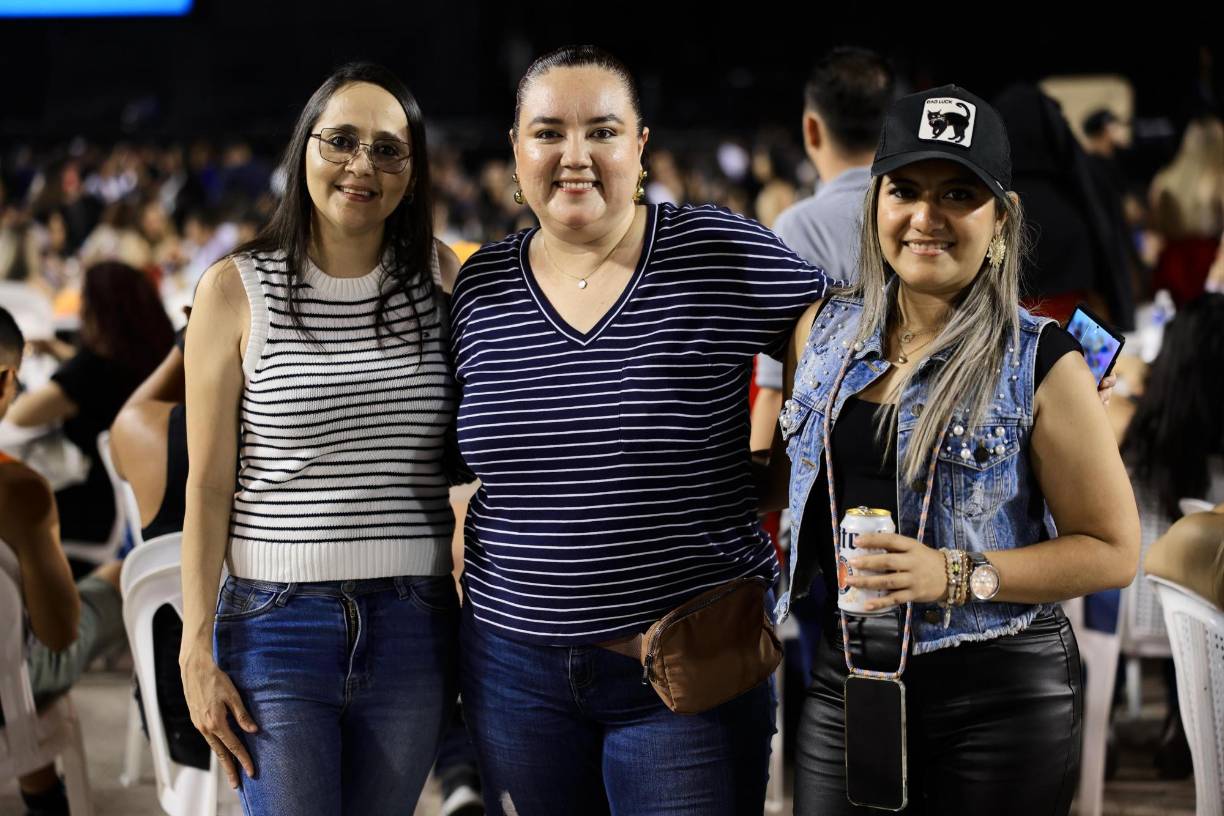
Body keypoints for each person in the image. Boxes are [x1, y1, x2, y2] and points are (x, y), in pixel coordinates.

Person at [449, 45, 831, 815]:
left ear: (641, 147)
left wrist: (794, 457)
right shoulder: (480, 283)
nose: (576, 156)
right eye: (549, 132)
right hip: (513, 674)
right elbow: (462, 461)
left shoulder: (713, 249)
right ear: (516, 153)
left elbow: (834, 335)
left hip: (690, 673)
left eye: (603, 131)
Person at [773, 85, 1141, 814]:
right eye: (904, 189)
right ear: (875, 201)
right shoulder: (821, 332)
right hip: (846, 681)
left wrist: (953, 572)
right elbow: (787, 477)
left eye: (957, 194)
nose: (924, 217)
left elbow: (1113, 550)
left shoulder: (1042, 362)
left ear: (1000, 219)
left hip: (998, 701)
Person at [178, 62, 461, 815]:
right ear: (303, 148)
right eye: (340, 140)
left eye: (388, 149)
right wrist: (194, 647)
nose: (362, 165)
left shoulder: (445, 280)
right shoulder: (235, 289)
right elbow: (206, 484)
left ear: (413, 168)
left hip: (415, 622)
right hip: (275, 626)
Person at [0, 305, 125, 816]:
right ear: (8, 379)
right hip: (13, 684)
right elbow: (57, 636)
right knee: (123, 577)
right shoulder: (19, 492)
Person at [750, 48, 895, 455]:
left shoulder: (800, 226)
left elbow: (776, 382)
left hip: (830, 457)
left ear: (811, 129)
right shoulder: (919, 215)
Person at [7, 260, 174, 562]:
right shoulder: (158, 356)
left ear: (96, 311)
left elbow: (20, 415)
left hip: (98, 510)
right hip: (152, 505)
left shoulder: (90, 372)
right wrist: (58, 350)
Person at [1149, 116, 1224, 306]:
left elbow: (1156, 227)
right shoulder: (1217, 179)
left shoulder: (1164, 178)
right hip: (1206, 262)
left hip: (1172, 263)